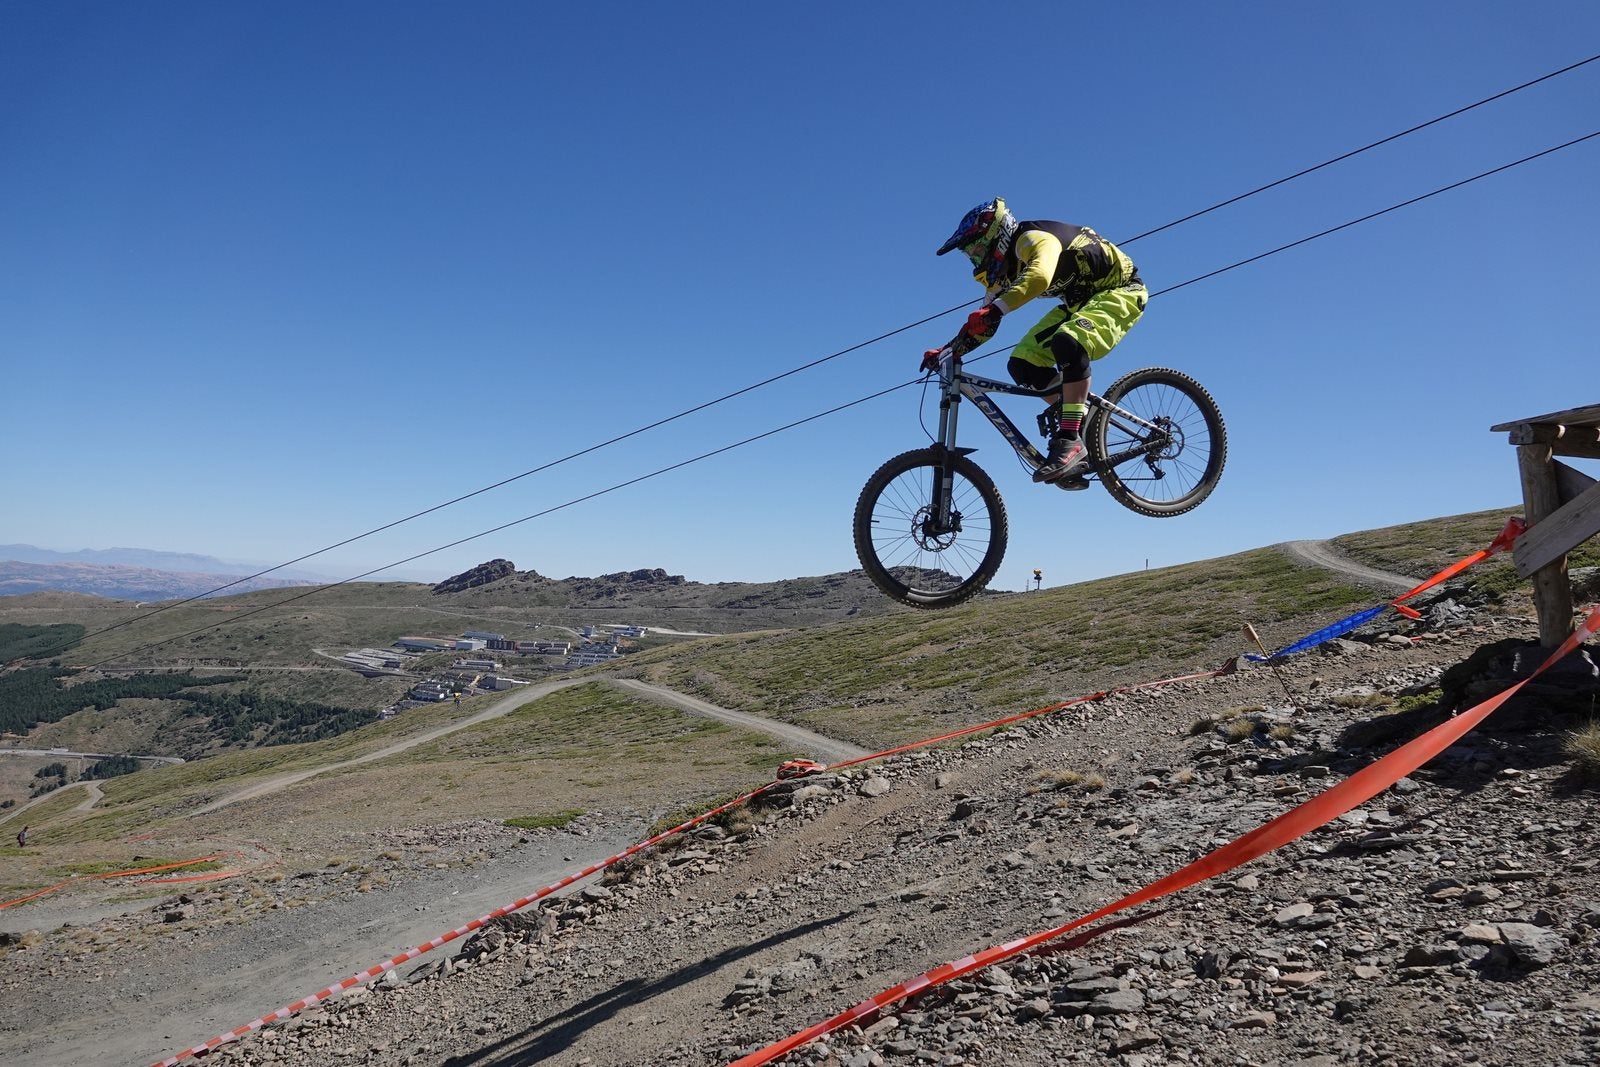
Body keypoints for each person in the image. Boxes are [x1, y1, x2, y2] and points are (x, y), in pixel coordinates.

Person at [928, 197, 1147, 484]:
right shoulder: (1001, 277)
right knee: (1022, 364)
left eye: (977, 248)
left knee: (1068, 342)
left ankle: (1070, 436)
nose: (975, 257)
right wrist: (949, 350)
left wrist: (994, 309)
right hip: (1078, 305)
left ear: (998, 235)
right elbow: (984, 324)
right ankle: (1078, 423)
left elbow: (1040, 276)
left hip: (1122, 291)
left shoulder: (1030, 238)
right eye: (969, 254)